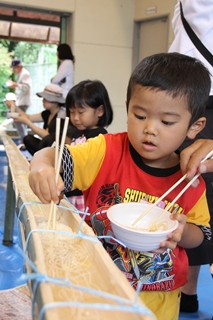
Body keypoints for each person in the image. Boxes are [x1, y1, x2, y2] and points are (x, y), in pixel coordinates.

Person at [28, 53, 212, 320]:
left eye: (167, 122)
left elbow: (202, 234)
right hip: (96, 284)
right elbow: (53, 156)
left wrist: (181, 232)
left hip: (158, 299)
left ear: (194, 126)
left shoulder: (190, 178)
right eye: (139, 115)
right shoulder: (106, 150)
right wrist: (41, 167)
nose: (150, 129)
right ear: (127, 108)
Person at [168, 0, 213, 313]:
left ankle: (189, 293)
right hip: (185, 93)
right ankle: (188, 293)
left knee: (196, 189)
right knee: (190, 194)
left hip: (196, 96)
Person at [64, 79, 113, 211]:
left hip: (81, 196)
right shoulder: (78, 132)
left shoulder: (100, 137)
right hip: (69, 192)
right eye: (71, 112)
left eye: (80, 112)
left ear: (100, 111)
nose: (75, 117)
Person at [9, 84, 66, 156]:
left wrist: (27, 122)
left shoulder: (61, 115)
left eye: (46, 99)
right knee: (28, 139)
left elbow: (47, 135)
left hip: (56, 150)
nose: (43, 101)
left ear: (55, 101)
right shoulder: (48, 113)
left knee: (48, 140)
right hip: (47, 146)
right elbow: (28, 117)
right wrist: (14, 107)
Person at [6, 59, 32, 148]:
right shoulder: (21, 74)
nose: (14, 70)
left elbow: (26, 88)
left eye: (14, 68)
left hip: (23, 101)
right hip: (20, 101)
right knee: (20, 121)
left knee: (19, 121)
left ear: (19, 66)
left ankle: (24, 139)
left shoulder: (25, 74)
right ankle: (24, 139)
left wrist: (16, 85)